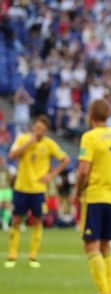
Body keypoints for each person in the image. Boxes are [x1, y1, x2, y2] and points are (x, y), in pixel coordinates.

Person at [75, 99, 111, 294]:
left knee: (91, 245)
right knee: (106, 245)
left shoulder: (89, 137)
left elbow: (83, 169)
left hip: (95, 195)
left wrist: (78, 191)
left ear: (90, 115)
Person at [5, 115, 70, 268]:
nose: (39, 131)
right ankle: (12, 255)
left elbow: (65, 159)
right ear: (33, 126)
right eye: (37, 128)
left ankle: (33, 256)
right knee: (16, 220)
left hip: (38, 190)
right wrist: (28, 143)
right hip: (21, 187)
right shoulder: (22, 139)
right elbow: (11, 155)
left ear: (46, 131)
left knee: (38, 220)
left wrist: (51, 175)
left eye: (43, 129)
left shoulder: (49, 144)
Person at [0, 154, 13, 232]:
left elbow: (11, 180)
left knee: (7, 207)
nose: (1, 162)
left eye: (2, 160)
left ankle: (5, 224)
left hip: (7, 190)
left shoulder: (8, 169)